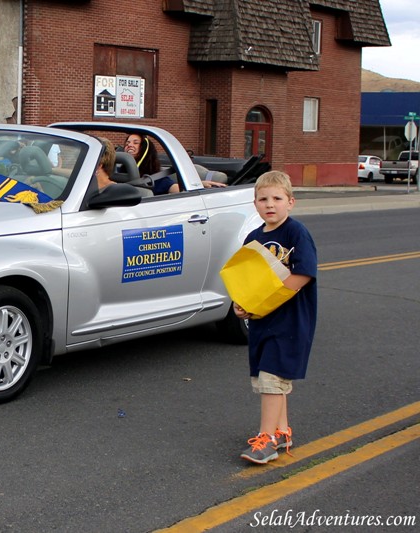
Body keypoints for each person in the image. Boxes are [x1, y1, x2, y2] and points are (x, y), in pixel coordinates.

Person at [233, 170, 318, 465]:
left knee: (271, 378)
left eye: (277, 199)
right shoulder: (253, 238)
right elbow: (245, 279)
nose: (270, 205)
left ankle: (266, 439)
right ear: (255, 203)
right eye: (263, 199)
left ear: (290, 202)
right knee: (268, 380)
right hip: (261, 322)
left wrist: (270, 299)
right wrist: (242, 304)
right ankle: (282, 432)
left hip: (290, 322)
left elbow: (303, 273)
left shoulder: (296, 233)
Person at [124, 133, 227, 192]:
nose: (129, 145)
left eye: (135, 143)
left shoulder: (156, 177)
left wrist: (198, 184)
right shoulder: (118, 172)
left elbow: (175, 188)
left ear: (145, 149)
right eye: (127, 143)